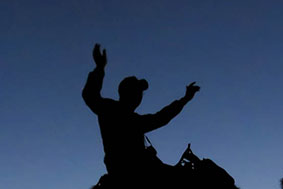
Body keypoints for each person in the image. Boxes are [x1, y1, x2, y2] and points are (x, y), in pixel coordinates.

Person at [82, 43, 200, 177]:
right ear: (128, 93)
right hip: (136, 172)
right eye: (137, 91)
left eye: (140, 93)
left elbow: (161, 117)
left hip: (132, 169)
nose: (139, 96)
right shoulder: (112, 110)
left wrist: (99, 68)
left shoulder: (122, 114)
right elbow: (162, 117)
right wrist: (99, 68)